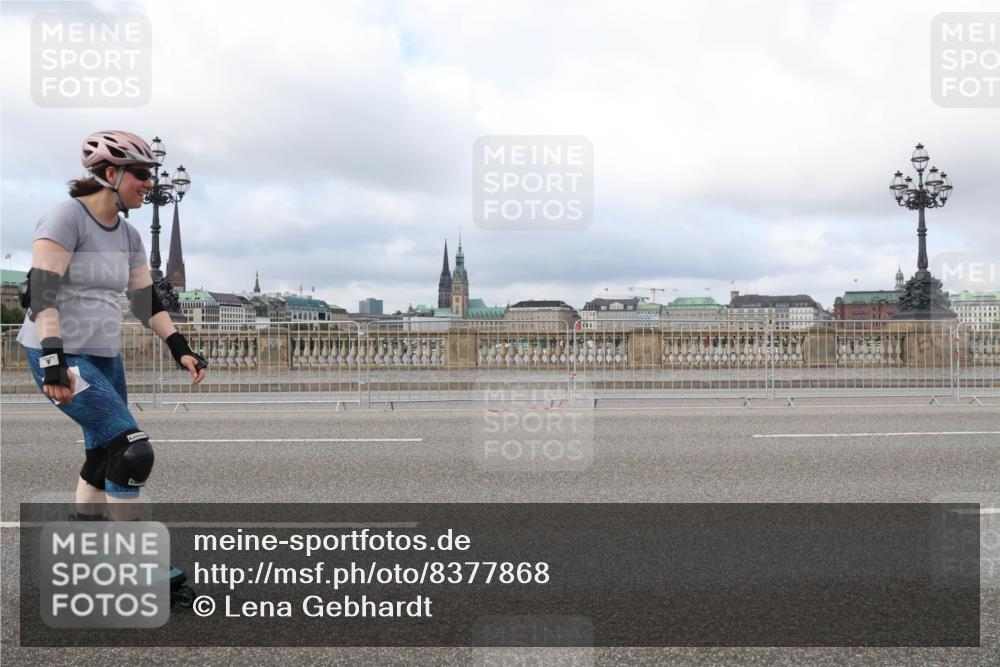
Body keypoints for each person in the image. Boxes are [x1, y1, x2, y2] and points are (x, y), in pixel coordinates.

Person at [17, 130, 207, 521]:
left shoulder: (128, 234)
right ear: (110, 174)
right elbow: (41, 291)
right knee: (132, 451)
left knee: (104, 454)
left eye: (151, 175)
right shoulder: (65, 217)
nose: (150, 184)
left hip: (103, 354)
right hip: (60, 352)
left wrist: (180, 347)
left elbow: (144, 299)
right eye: (141, 173)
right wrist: (52, 358)